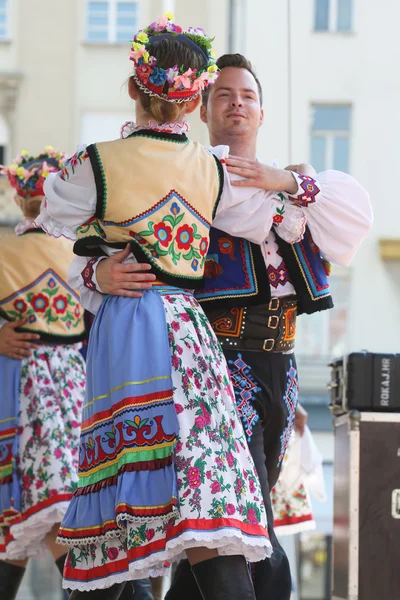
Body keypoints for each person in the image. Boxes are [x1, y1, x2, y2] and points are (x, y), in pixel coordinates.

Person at [36, 15, 308, 600]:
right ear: (196, 97)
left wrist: (96, 271)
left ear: (135, 87)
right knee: (204, 499)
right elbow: (283, 221)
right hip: (190, 333)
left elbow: (44, 237)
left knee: (122, 485)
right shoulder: (214, 169)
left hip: (130, 330)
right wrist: (296, 181)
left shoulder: (97, 162)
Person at [82, 53, 372, 600]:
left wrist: (287, 180)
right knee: (245, 528)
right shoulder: (185, 174)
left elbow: (355, 217)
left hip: (280, 367)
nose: (237, 103)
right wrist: (97, 270)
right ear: (202, 111)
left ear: (262, 113)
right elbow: (99, 237)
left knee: (227, 531)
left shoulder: (293, 186)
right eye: (223, 95)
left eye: (248, 96)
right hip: (217, 364)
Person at [0, 148, 87, 599]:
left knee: (34, 511)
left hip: (19, 389)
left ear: (19, 198)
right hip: (77, 388)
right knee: (58, 511)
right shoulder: (84, 253)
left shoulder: (3, 250)